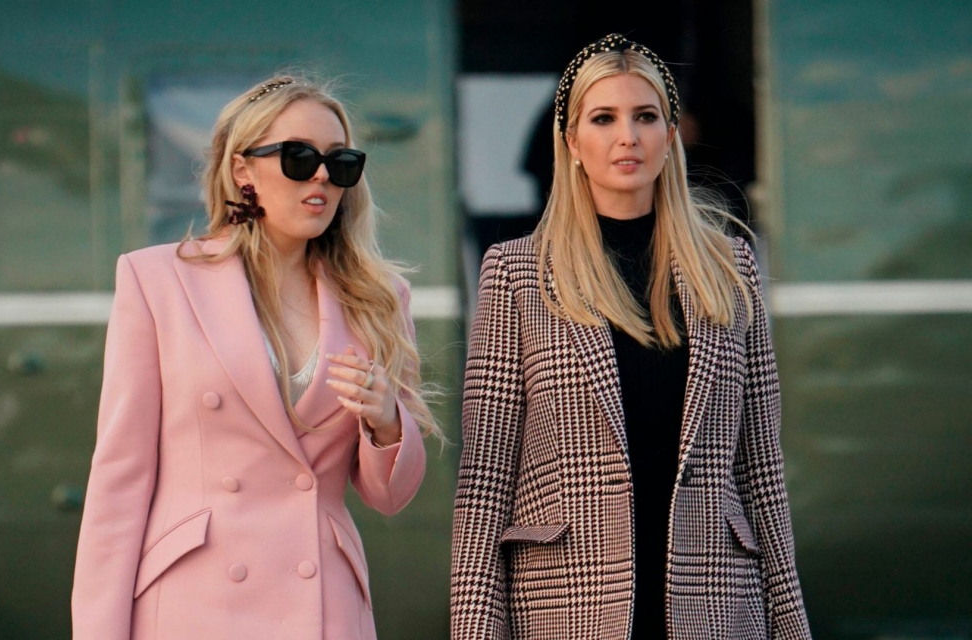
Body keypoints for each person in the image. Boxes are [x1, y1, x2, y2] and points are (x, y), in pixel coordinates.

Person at [451, 34, 810, 639]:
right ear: (572, 141)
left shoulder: (731, 268)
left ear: (671, 136)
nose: (628, 136)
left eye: (645, 117)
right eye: (604, 118)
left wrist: (792, 627)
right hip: (566, 608)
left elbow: (761, 475)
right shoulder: (516, 273)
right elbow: (485, 483)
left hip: (716, 607)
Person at [72, 73, 439, 640]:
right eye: (299, 158)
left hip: (322, 606)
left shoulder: (379, 298)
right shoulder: (156, 280)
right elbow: (119, 483)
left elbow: (390, 496)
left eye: (340, 162)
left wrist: (387, 422)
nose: (322, 176)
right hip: (193, 604)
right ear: (243, 170)